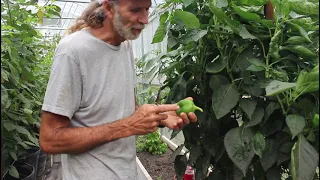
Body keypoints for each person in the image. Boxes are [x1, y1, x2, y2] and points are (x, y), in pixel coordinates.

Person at [39, 0, 198, 179]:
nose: (145, 19)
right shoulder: (73, 51)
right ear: (108, 8)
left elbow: (126, 110)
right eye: (136, 9)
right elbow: (50, 139)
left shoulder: (125, 44)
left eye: (147, 9)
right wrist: (128, 126)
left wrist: (161, 117)